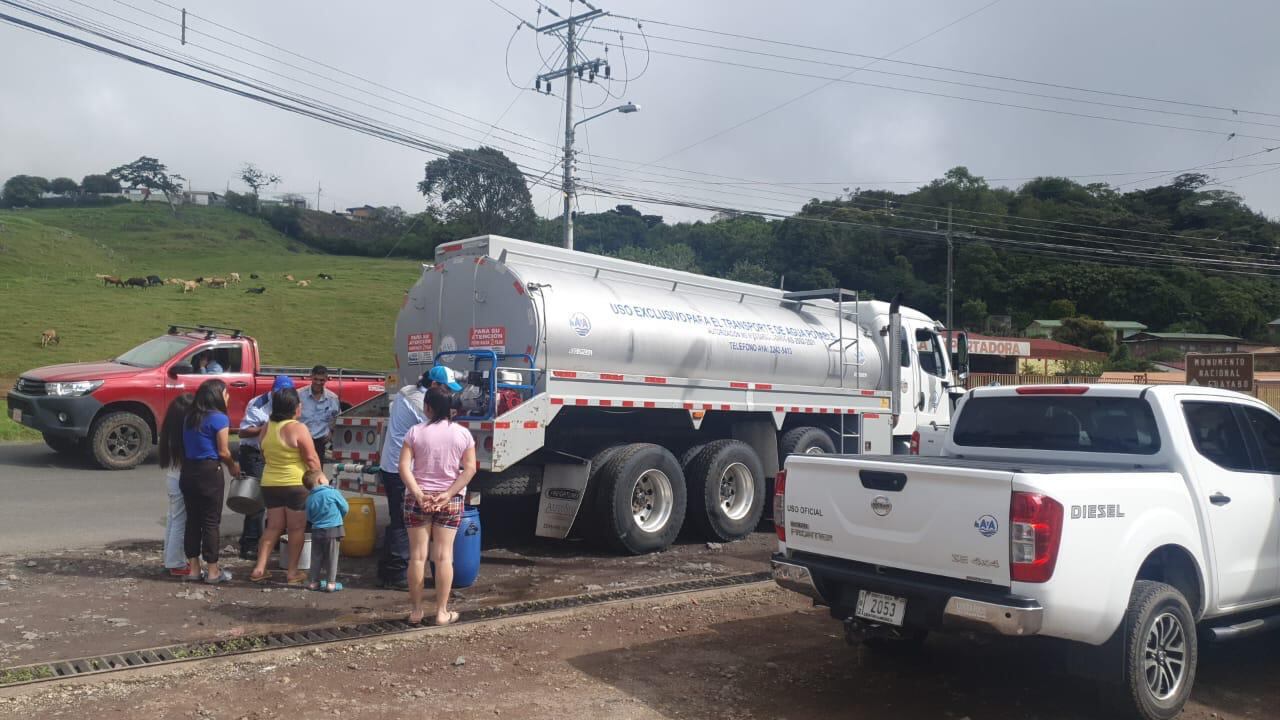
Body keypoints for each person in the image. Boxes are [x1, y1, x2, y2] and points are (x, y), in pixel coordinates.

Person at [376, 366, 462, 589]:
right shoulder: (419, 402)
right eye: (445, 389)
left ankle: (387, 569)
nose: (448, 395)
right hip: (400, 468)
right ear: (433, 386)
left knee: (397, 517)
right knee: (403, 524)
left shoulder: (406, 390)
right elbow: (436, 425)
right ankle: (397, 574)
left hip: (392, 464)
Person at [400, 386, 477, 626]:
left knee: (417, 557)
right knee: (444, 557)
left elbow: (403, 467)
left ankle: (416, 611)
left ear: (428, 407)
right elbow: (470, 468)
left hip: (417, 499)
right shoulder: (462, 434)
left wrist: (419, 494)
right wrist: (447, 494)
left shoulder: (415, 432)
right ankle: (442, 612)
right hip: (450, 500)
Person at [248, 387, 321, 584]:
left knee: (272, 527)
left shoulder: (267, 427)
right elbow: (311, 458)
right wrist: (321, 479)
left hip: (270, 483)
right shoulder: (298, 428)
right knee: (295, 529)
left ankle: (259, 568)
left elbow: (263, 454)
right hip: (296, 484)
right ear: (294, 407)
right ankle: (292, 573)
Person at [180, 379, 240, 584]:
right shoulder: (219, 418)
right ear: (217, 396)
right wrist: (233, 466)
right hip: (209, 472)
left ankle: (194, 569)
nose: (228, 397)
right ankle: (213, 570)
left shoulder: (189, 416)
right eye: (226, 393)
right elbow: (223, 451)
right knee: (211, 521)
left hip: (188, 471)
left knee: (192, 520)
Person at [236, 376, 293, 560]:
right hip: (253, 453)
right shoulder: (259, 404)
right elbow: (243, 431)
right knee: (257, 499)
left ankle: (273, 537)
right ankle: (250, 543)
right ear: (272, 391)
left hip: (276, 452)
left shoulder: (291, 402)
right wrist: (267, 428)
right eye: (278, 394)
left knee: (277, 496)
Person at [158, 393, 195, 578]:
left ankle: (170, 559)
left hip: (172, 477)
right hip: (181, 478)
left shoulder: (170, 431)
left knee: (173, 519)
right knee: (180, 521)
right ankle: (176, 563)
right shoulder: (186, 434)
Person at [303, 468, 348, 592]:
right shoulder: (332, 492)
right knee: (332, 557)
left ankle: (313, 582)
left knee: (316, 557)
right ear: (321, 480)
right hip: (333, 530)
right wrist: (339, 517)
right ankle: (331, 583)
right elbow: (345, 507)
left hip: (317, 530)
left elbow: (309, 517)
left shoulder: (309, 498)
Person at [300, 365, 340, 462]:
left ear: (326, 379)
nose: (318, 383)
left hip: (320, 443)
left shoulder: (332, 398)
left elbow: (338, 417)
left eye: (321, 380)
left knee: (317, 474)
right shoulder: (299, 395)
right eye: (315, 379)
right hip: (301, 442)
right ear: (311, 377)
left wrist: (331, 432)